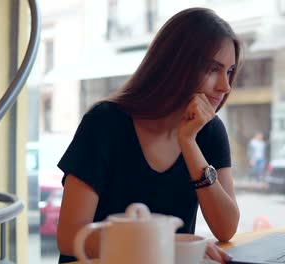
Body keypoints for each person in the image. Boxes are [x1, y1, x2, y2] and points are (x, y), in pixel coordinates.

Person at [56, 7, 242, 264]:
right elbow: (69, 237)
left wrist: (188, 143)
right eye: (213, 69)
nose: (225, 86)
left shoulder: (208, 131)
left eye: (230, 71)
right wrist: (166, 247)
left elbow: (226, 227)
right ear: (175, 64)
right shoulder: (104, 123)